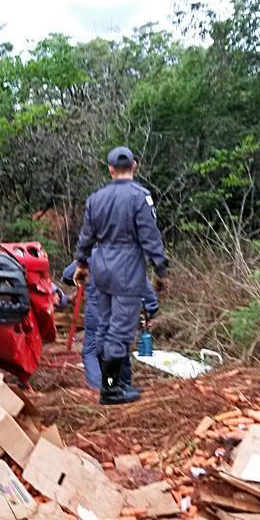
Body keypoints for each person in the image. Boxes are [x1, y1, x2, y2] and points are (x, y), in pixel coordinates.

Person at [73, 146, 169, 405]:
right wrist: (160, 269)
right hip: (127, 269)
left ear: (111, 169)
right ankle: (111, 390)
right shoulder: (140, 196)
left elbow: (85, 238)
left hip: (101, 267)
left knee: (105, 328)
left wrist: (82, 264)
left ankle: (117, 383)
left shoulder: (96, 198)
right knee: (120, 332)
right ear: (134, 166)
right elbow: (150, 237)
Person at [62, 261, 158, 391]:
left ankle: (97, 389)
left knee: (91, 351)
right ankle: (123, 387)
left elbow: (67, 276)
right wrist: (150, 311)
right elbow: (145, 289)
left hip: (97, 313)